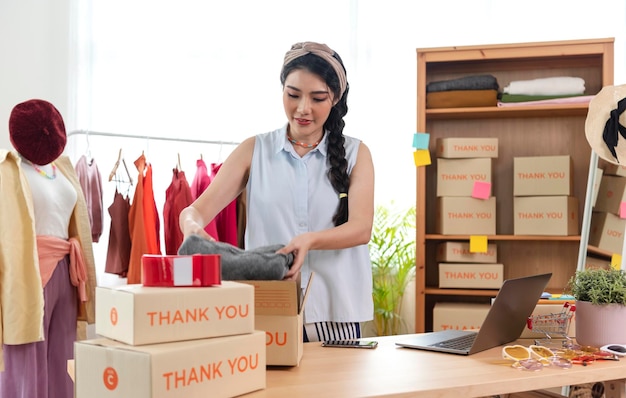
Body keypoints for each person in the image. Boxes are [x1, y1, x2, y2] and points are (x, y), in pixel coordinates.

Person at [179, 41, 375, 342]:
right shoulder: (254, 150)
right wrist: (192, 226)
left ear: (335, 98)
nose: (303, 109)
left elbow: (361, 228)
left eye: (318, 98)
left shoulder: (357, 154)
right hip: (268, 312)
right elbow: (194, 211)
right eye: (293, 95)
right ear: (282, 89)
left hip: (336, 314)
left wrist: (310, 240)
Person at [0, 99, 97, 398]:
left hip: (66, 272)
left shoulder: (62, 169)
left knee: (63, 361)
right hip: (28, 273)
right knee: (27, 360)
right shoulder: (8, 170)